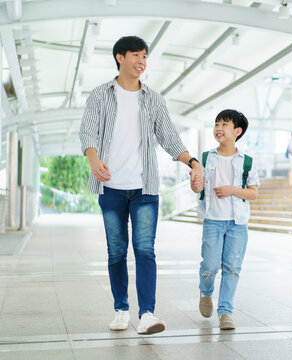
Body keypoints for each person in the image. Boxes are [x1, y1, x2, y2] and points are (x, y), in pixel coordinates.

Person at [79, 36, 203, 335]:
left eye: (145, 56)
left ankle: (147, 313)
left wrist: (193, 162)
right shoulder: (99, 95)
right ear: (120, 57)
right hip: (110, 188)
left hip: (144, 188)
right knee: (116, 251)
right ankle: (121, 310)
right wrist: (94, 162)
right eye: (136, 55)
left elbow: (170, 138)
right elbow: (88, 133)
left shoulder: (153, 99)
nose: (142, 61)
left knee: (145, 250)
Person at [194, 109, 259, 330]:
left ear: (237, 131)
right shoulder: (206, 158)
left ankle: (225, 312)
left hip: (237, 224)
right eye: (216, 124)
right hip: (212, 220)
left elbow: (253, 193)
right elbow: (198, 186)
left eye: (224, 125)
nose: (219, 128)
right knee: (210, 266)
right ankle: (206, 291)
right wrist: (195, 184)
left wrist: (232, 189)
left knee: (232, 268)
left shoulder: (247, 161)